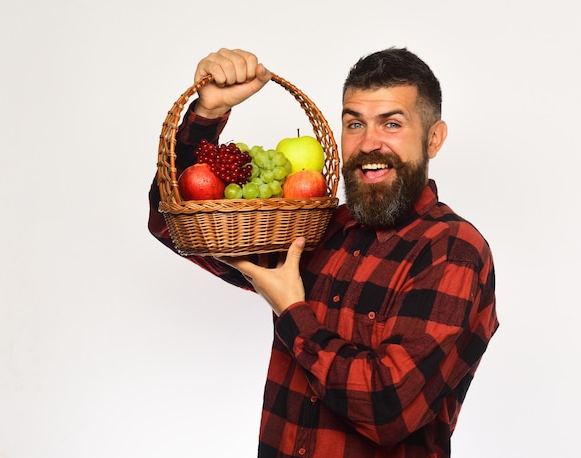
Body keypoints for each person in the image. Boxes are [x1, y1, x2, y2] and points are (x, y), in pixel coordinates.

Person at [148, 47, 499, 458]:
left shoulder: (452, 251)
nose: (369, 143)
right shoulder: (318, 230)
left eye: (391, 123)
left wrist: (293, 312)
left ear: (433, 138)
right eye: (355, 123)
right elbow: (173, 225)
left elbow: (387, 408)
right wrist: (207, 115)